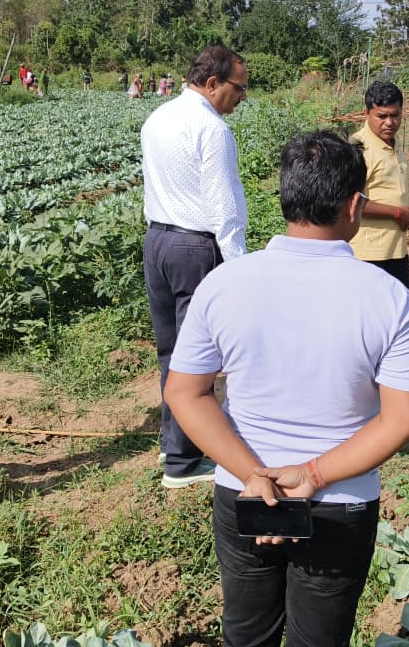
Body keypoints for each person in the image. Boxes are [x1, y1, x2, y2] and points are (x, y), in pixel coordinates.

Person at [164, 130, 409, 647]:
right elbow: (402, 419)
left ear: (285, 197)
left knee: (247, 631)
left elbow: (184, 394)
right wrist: (311, 474)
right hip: (340, 501)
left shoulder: (224, 284)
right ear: (355, 206)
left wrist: (253, 476)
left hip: (242, 491)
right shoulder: (387, 298)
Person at [141, 46, 250, 488]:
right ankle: (184, 463)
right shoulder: (212, 128)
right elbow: (223, 207)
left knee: (172, 352)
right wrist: (238, 269)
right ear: (212, 84)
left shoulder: (157, 118)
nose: (241, 97)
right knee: (198, 359)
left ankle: (175, 445)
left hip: (158, 241)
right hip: (193, 247)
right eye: (237, 88)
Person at [349, 81, 409, 291]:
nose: (389, 122)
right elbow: (349, 200)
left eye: (395, 115)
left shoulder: (393, 144)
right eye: (382, 116)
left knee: (398, 314)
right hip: (368, 254)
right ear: (367, 113)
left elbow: (389, 189)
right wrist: (397, 213)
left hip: (396, 251)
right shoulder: (358, 148)